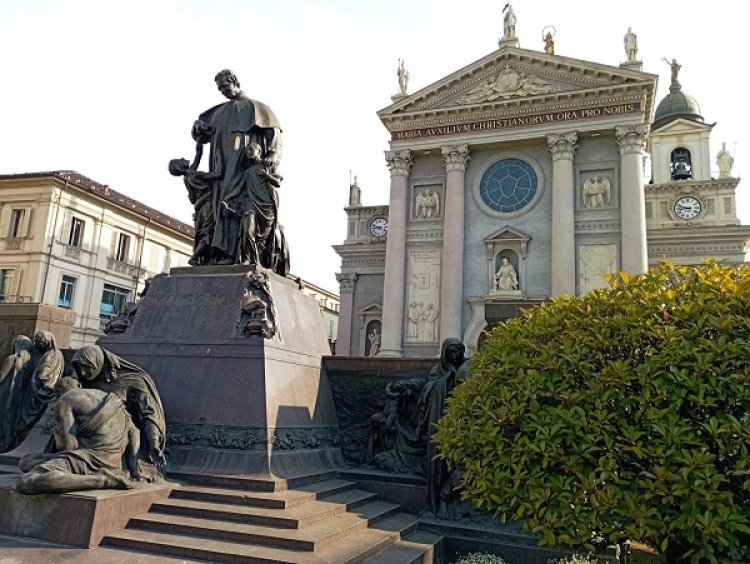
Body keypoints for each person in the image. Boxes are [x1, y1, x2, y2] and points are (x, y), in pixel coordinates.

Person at [193, 69, 283, 268]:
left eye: (225, 86)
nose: (223, 91)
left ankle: (235, 253)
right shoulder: (220, 111)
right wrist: (198, 126)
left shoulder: (257, 108)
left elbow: (275, 137)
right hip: (221, 168)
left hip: (242, 167)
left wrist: (272, 157)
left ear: (235, 81)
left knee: (232, 205)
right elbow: (202, 130)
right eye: (220, 88)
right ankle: (221, 253)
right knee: (220, 207)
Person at [16, 379, 139, 494]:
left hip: (90, 459)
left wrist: (57, 428)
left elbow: (69, 447)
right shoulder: (110, 399)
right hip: (114, 463)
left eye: (58, 393)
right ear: (78, 385)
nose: (57, 398)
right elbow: (135, 432)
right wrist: (134, 469)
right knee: (26, 461)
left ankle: (101, 480)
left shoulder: (65, 400)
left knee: (26, 482)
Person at [71, 345, 166, 470]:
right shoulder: (84, 379)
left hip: (115, 440)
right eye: (79, 368)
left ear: (98, 362)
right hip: (83, 435)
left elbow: (150, 414)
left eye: (87, 367)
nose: (82, 372)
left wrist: (154, 444)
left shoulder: (135, 380)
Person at [417, 338, 468, 516]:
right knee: (439, 462)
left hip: (460, 424)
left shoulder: (466, 369)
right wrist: (447, 379)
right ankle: (437, 502)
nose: (455, 355)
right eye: (451, 352)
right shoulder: (438, 371)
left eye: (458, 351)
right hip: (440, 423)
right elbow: (427, 391)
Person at [0, 331, 63, 453]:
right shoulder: (47, 356)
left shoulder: (13, 358)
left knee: (6, 419)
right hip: (24, 395)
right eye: (36, 343)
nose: (38, 345)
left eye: (40, 343)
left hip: (9, 396)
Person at [168, 157, 222, 265]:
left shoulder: (188, 176)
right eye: (180, 160)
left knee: (205, 233)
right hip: (207, 207)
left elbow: (198, 154)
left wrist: (199, 143)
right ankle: (194, 257)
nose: (183, 158)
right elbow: (217, 175)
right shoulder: (194, 175)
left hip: (201, 209)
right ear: (180, 167)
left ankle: (200, 257)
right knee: (208, 233)